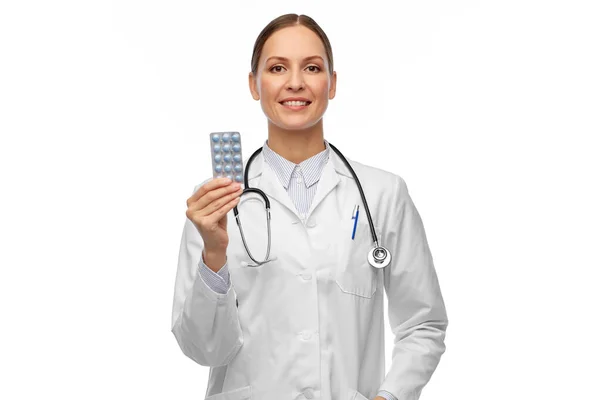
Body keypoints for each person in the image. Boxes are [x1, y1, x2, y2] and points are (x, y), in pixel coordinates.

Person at [171, 13, 448, 400]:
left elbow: (424, 323)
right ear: (254, 84)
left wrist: (391, 396)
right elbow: (203, 349)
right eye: (277, 68)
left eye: (313, 68)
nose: (295, 82)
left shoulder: (382, 194)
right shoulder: (215, 204)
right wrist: (214, 253)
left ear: (332, 83)